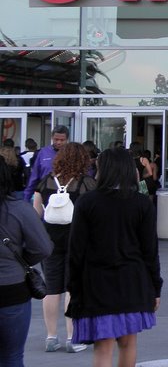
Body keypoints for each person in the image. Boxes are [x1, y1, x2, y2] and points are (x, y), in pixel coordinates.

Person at [66, 149, 162, 367]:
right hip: (133, 280)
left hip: (97, 283)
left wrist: (73, 286)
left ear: (104, 170)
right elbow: (150, 251)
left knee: (103, 347)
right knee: (128, 342)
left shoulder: (87, 202)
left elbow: (76, 250)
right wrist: (155, 287)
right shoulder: (142, 203)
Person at [32, 142, 97, 353]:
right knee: (73, 288)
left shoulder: (46, 181)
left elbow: (37, 213)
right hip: (77, 240)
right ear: (83, 160)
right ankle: (73, 337)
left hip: (50, 241)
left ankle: (51, 337)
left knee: (51, 290)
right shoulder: (87, 183)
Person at [0, 159, 53, 367]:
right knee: (12, 356)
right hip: (12, 290)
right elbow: (44, 247)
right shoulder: (19, 210)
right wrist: (22, 260)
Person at [23, 126, 69, 202]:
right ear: (52, 138)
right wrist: (26, 198)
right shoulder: (43, 153)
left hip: (66, 194)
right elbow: (34, 176)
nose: (59, 142)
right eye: (56, 139)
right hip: (45, 194)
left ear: (67, 139)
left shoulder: (72, 154)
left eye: (62, 140)